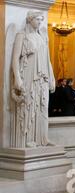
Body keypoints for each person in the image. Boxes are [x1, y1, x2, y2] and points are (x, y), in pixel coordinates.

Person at [11, 11, 56, 148]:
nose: (40, 22)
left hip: (43, 76)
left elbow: (47, 59)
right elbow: (15, 59)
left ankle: (43, 138)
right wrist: (17, 78)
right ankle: (28, 139)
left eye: (41, 20)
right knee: (30, 105)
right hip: (29, 74)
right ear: (30, 20)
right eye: (37, 19)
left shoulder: (42, 37)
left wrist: (52, 77)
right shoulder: (22, 36)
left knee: (43, 106)